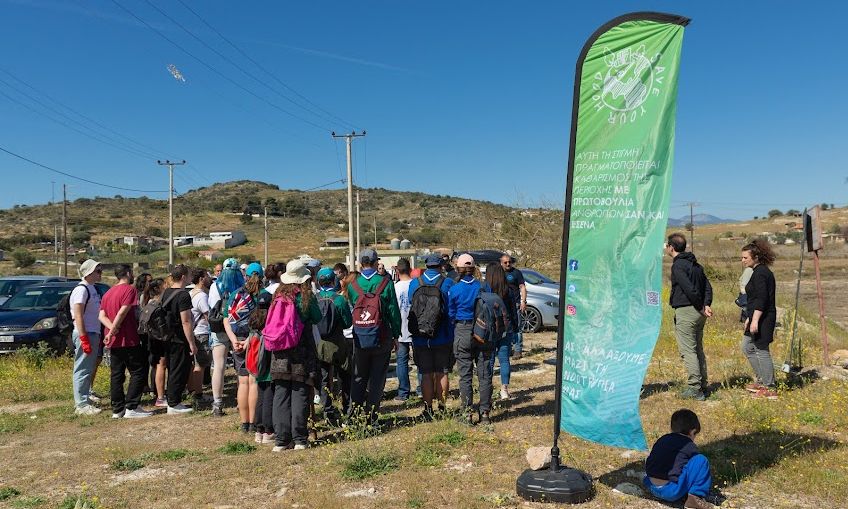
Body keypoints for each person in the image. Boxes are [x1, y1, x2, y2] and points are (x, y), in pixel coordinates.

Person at [269, 260, 322, 451]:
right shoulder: (305, 297)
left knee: (281, 393)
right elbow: (317, 318)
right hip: (302, 349)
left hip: (279, 351)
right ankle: (300, 438)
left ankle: (282, 440)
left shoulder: (278, 295)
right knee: (300, 391)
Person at [345, 249, 402, 425]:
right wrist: (396, 334)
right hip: (382, 335)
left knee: (359, 376)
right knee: (377, 378)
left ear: (361, 263)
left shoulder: (353, 285)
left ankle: (353, 414)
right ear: (376, 262)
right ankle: (372, 416)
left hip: (360, 336)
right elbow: (393, 310)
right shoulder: (385, 282)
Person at [99, 264, 151, 419]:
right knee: (138, 371)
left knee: (117, 374)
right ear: (128, 274)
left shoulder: (108, 292)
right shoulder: (130, 290)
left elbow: (101, 316)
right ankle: (132, 406)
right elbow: (123, 311)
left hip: (113, 340)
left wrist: (111, 331)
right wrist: (115, 328)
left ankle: (117, 409)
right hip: (127, 338)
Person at [666, 233, 713, 401]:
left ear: (671, 247)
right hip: (699, 313)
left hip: (687, 311)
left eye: (667, 246)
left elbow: (688, 289)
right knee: (698, 349)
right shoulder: (696, 265)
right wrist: (706, 304)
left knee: (688, 350)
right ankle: (703, 385)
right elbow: (708, 286)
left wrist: (701, 306)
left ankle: (695, 387)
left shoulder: (678, 266)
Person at [408, 254, 455, 419]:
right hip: (442, 336)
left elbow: (410, 305)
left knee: (426, 373)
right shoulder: (447, 283)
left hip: (420, 337)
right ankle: (442, 408)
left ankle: (428, 409)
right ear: (440, 265)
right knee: (442, 372)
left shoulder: (415, 283)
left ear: (426, 265)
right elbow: (450, 310)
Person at [449, 253, 494, 425]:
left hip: (463, 329)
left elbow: (451, 313)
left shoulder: (454, 289)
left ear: (458, 269)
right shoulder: (484, 287)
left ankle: (467, 414)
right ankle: (485, 414)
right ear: (474, 268)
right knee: (484, 374)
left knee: (465, 375)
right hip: (483, 331)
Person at [643, 409, 714, 509]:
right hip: (671, 492)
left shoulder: (662, 439)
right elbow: (695, 468)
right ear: (692, 432)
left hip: (650, 486)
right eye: (695, 435)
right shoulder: (689, 445)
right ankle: (694, 497)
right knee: (701, 461)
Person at [224, 262, 263, 432]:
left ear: (245, 275)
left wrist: (233, 340)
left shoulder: (235, 294)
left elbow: (226, 318)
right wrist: (249, 340)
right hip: (253, 339)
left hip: (236, 339)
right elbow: (263, 322)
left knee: (242, 381)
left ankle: (244, 423)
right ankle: (254, 422)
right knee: (253, 381)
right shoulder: (262, 295)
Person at [741, 239, 778, 400]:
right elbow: (755, 298)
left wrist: (755, 320)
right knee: (747, 347)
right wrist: (749, 318)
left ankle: (770, 387)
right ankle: (761, 380)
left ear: (755, 257)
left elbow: (762, 299)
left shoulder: (762, 273)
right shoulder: (757, 272)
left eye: (745, 258)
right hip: (755, 316)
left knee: (761, 350)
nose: (743, 260)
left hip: (764, 317)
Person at [315, 267, 353, 423]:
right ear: (333, 280)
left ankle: (328, 410)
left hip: (319, 344)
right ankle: (347, 408)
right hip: (337, 343)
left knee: (324, 378)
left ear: (318, 282)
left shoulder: (313, 299)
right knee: (345, 376)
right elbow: (347, 323)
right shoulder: (339, 300)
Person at [208, 258, 244, 416]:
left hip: (219, 327)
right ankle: (240, 400)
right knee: (240, 366)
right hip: (238, 327)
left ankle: (217, 403)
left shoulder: (215, 286)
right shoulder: (242, 285)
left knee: (219, 365)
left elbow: (212, 306)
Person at [161, 264, 198, 414]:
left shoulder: (166, 292)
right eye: (189, 275)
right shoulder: (183, 295)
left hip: (167, 337)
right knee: (178, 370)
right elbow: (186, 321)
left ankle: (172, 400)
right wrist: (191, 343)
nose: (191, 278)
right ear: (183, 277)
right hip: (179, 338)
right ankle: (174, 403)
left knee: (172, 369)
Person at [70, 259, 104, 415]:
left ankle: (84, 398)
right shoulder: (82, 290)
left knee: (87, 368)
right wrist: (83, 338)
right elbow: (78, 315)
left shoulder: (91, 288)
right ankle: (81, 404)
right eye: (98, 270)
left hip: (93, 332)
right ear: (89, 273)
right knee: (82, 369)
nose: (100, 273)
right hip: (86, 333)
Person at [485, 262, 518, 400]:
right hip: (506, 327)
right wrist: (515, 328)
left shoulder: (485, 291)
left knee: (490, 360)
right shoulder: (508, 290)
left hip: (490, 329)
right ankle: (504, 389)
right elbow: (513, 311)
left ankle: (487, 388)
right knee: (504, 360)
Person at [393, 258, 421, 401]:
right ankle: (422, 389)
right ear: (410, 269)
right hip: (416, 328)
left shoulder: (395, 287)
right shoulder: (416, 285)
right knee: (420, 360)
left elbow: (392, 310)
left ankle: (403, 392)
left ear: (397, 271)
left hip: (401, 328)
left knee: (402, 361)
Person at [250, 290, 276, 445]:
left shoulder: (254, 318)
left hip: (257, 364)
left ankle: (258, 429)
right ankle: (268, 430)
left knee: (261, 396)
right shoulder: (270, 318)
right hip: (268, 362)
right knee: (269, 397)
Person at [188, 268, 212, 402]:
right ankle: (198, 394)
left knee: (194, 364)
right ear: (201, 278)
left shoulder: (192, 292)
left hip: (194, 332)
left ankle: (193, 390)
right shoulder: (202, 296)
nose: (209, 278)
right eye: (207, 276)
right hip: (201, 333)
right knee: (200, 365)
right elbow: (208, 315)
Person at [500, 255, 527, 359]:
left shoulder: (516, 273)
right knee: (506, 328)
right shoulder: (499, 273)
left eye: (509, 262)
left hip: (515, 304)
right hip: (503, 305)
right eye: (505, 262)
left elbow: (522, 287)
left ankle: (518, 350)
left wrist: (523, 301)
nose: (508, 264)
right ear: (501, 263)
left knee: (517, 327)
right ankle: (508, 348)